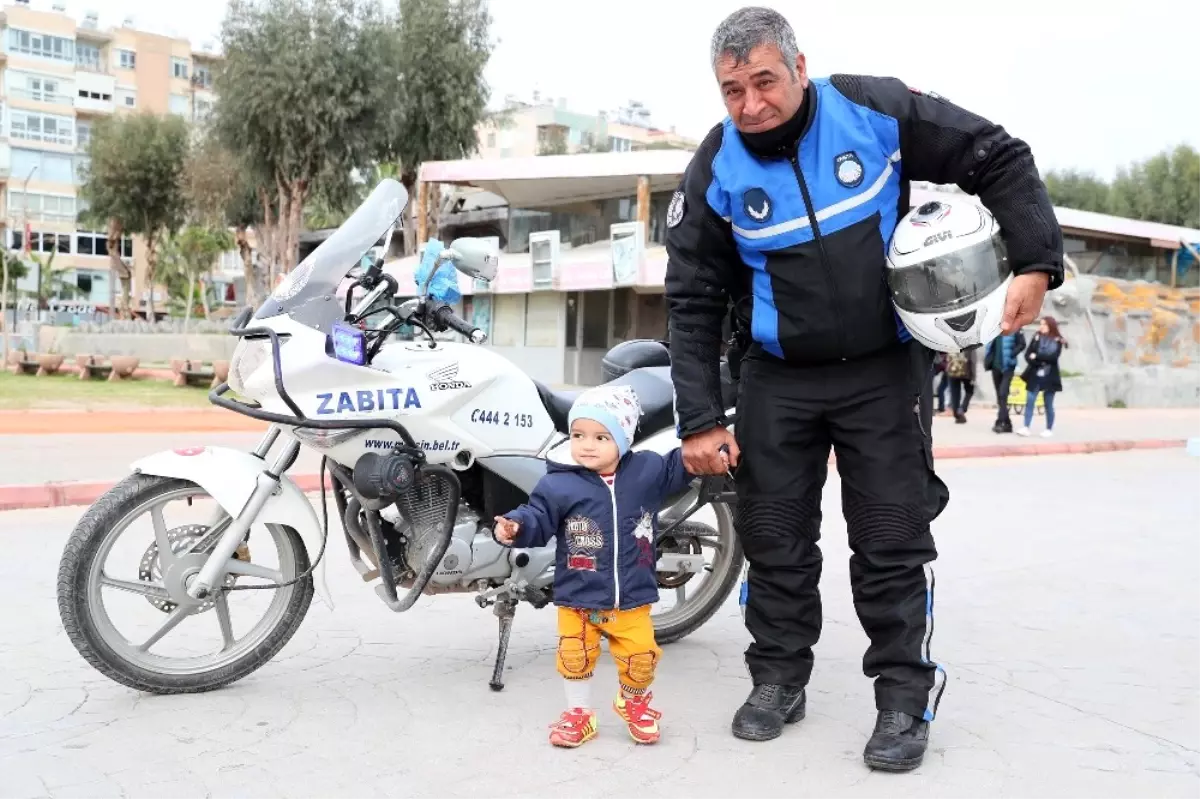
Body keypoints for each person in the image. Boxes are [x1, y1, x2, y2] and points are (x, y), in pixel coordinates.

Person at [664, 6, 1063, 772]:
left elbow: (997, 154)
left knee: (890, 539)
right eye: (732, 91)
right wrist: (701, 417)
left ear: (800, 67)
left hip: (884, 370)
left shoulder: (872, 110)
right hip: (777, 377)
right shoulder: (716, 167)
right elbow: (691, 298)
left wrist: (1037, 258)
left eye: (765, 82)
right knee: (775, 537)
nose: (751, 105)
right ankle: (778, 679)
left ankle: (903, 699)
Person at [493, 385, 694, 748]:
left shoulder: (646, 470)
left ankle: (633, 702)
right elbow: (536, 516)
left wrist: (706, 449)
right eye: (578, 435)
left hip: (631, 596)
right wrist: (515, 526)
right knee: (575, 656)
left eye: (602, 437)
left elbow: (680, 466)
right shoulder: (558, 484)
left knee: (641, 658)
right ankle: (579, 714)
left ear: (624, 437)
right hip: (578, 595)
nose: (587, 445)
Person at [1017, 317, 1067, 438]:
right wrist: (1037, 361)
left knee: (1048, 403)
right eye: (1041, 324)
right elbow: (1028, 354)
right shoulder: (1036, 337)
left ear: (1051, 326)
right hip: (1034, 372)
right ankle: (1026, 427)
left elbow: (1053, 357)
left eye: (1044, 324)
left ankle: (1049, 429)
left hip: (1050, 375)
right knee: (1030, 400)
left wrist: (1037, 356)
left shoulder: (1058, 340)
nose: (1041, 327)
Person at [984, 329, 1027, 433]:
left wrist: (1012, 353)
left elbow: (1022, 344)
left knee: (1003, 394)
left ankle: (1000, 422)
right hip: (995, 367)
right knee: (1000, 396)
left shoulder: (1015, 327)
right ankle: (1007, 424)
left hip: (1008, 366)